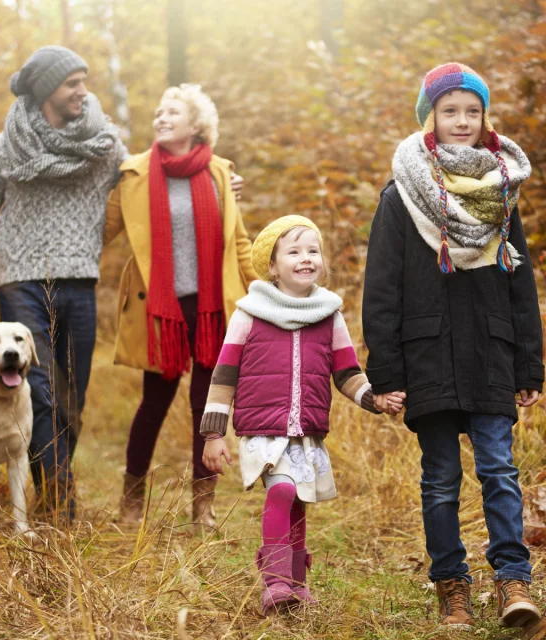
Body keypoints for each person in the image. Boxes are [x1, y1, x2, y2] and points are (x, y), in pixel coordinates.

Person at [362, 63, 544, 631]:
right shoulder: (401, 195)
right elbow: (382, 287)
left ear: (484, 117)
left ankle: (513, 579)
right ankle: (452, 587)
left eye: (472, 110)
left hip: (490, 351)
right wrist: (386, 370)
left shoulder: (501, 193)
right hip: (427, 357)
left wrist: (529, 362)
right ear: (430, 117)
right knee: (440, 478)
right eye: (450, 111)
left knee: (499, 468)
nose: (462, 121)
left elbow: (520, 284)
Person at [0, 46, 129, 522]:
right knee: (40, 391)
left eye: (84, 80)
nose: (83, 91)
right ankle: (61, 506)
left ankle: (47, 488)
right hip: (22, 283)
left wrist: (218, 178)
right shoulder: (4, 150)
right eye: (72, 83)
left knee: (72, 399)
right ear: (47, 90)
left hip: (80, 284)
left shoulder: (105, 146)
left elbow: (144, 180)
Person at [201, 215, 404, 615]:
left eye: (313, 251)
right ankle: (275, 580)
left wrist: (373, 399)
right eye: (293, 251)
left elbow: (346, 372)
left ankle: (296, 583)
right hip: (263, 429)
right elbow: (224, 374)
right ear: (273, 266)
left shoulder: (329, 315)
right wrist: (213, 433)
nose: (305, 258)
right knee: (282, 490)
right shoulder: (250, 312)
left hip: (306, 431)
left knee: (298, 502)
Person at [104, 84, 257, 528]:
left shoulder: (220, 174)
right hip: (161, 311)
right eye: (158, 111)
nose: (161, 116)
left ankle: (202, 505)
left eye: (172, 111)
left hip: (211, 309)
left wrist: (263, 292)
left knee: (206, 409)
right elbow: (101, 229)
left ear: (196, 125)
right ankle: (131, 502)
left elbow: (240, 242)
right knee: (153, 404)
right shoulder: (133, 175)